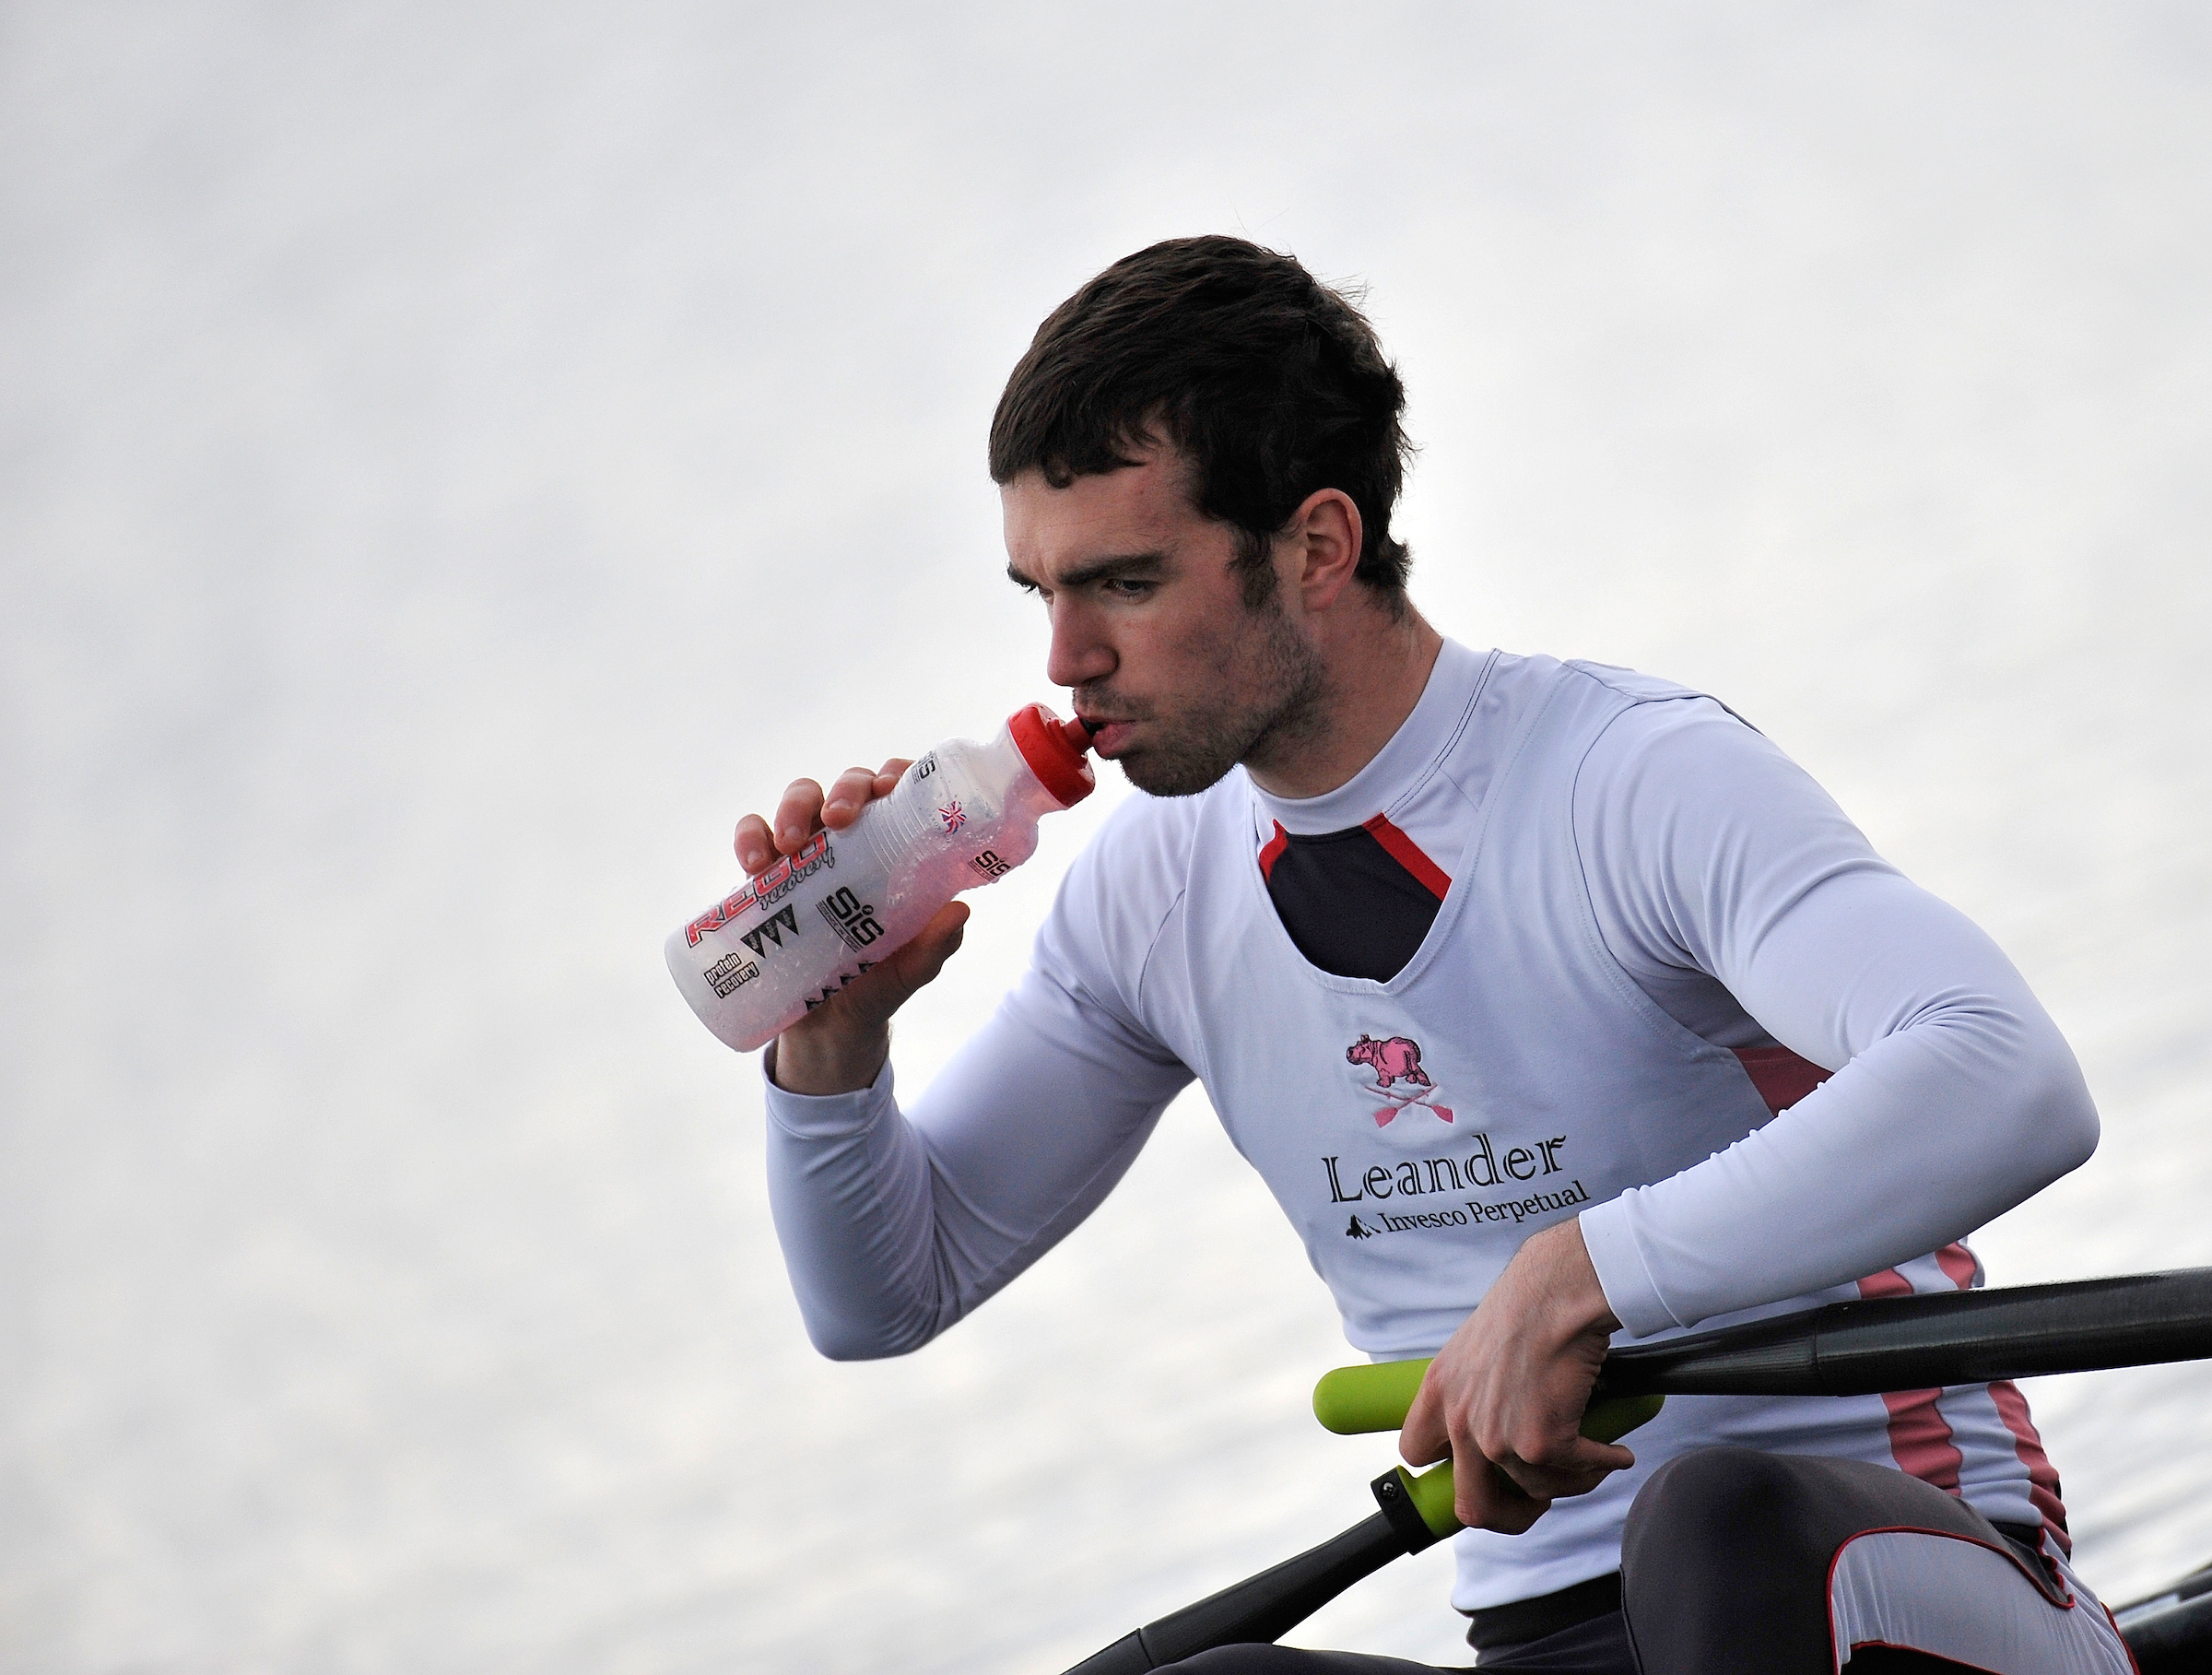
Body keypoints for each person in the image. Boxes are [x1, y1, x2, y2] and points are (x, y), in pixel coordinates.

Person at [736, 236, 2132, 1672]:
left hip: (1881, 1579)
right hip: (1546, 1634)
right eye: (1040, 590)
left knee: (1713, 1525)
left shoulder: (1627, 781)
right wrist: (833, 1042)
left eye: (1126, 583)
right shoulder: (1151, 895)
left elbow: (2007, 1073)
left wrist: (1582, 1273)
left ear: (1317, 546)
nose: (1065, 656)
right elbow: (882, 1296)